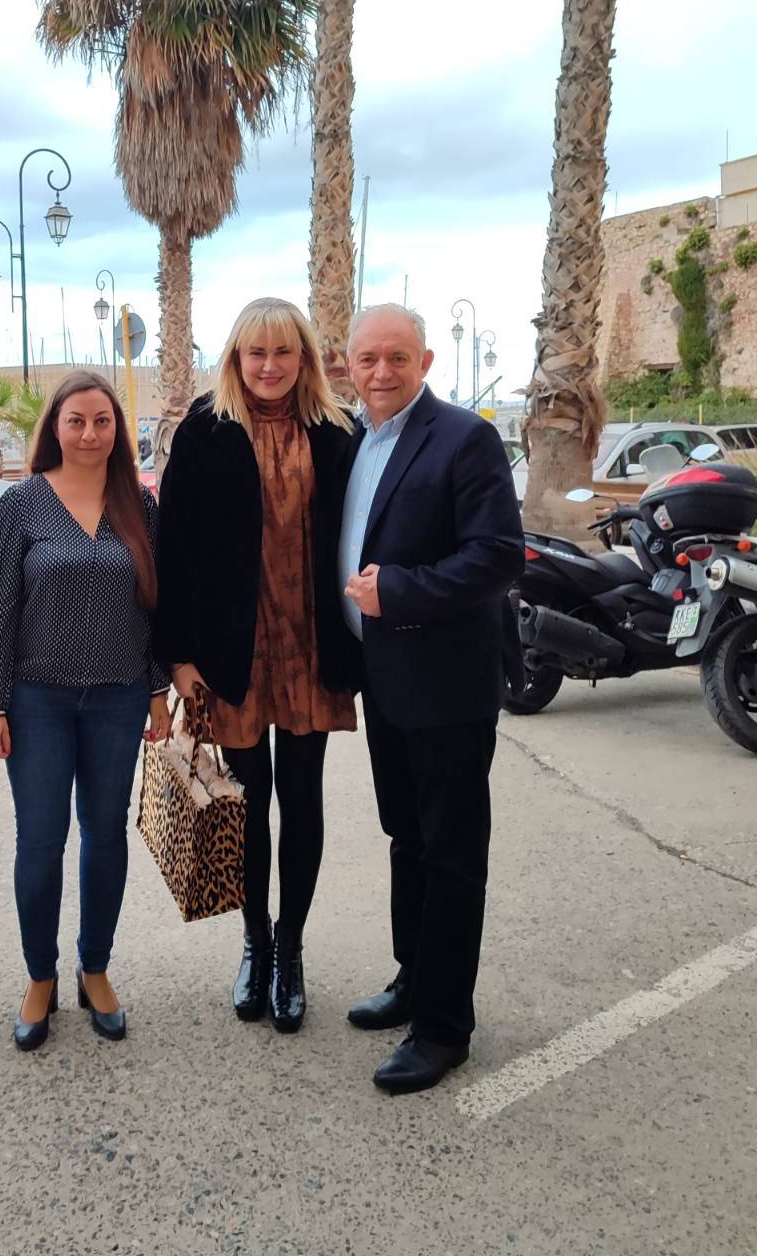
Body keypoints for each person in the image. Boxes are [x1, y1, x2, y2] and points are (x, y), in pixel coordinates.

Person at [155, 298, 361, 1032]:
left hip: (311, 646)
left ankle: (291, 949)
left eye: (283, 352)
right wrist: (177, 656)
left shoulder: (339, 434)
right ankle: (255, 943)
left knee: (303, 800)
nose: (269, 366)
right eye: (256, 353)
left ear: (304, 358)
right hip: (230, 651)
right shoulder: (204, 432)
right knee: (245, 805)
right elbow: (173, 551)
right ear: (236, 359)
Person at [338, 304, 523, 1094]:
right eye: (368, 359)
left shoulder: (464, 438)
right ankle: (414, 979)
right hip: (385, 682)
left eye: (397, 357)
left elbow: (498, 555)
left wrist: (399, 591)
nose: (382, 372)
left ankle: (445, 1027)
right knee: (406, 838)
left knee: (450, 853)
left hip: (447, 686)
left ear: (425, 362)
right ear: (349, 364)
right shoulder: (355, 439)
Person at [0, 371, 170, 1051]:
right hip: (38, 701)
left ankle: (95, 969)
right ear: (54, 427)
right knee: (40, 839)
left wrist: (157, 691)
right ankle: (40, 978)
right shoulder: (22, 504)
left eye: (102, 421)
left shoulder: (139, 506)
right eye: (76, 421)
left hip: (118, 697)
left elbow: (154, 609)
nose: (89, 433)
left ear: (118, 431)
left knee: (105, 835)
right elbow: (2, 609)